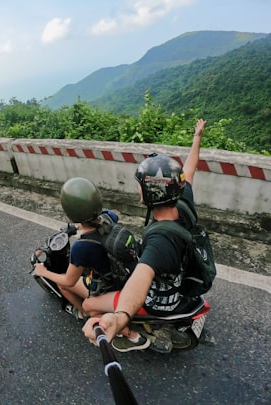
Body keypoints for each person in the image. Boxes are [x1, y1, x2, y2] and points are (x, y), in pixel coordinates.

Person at [82, 118, 207, 351]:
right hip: (181, 276)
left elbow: (140, 280)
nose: (137, 188)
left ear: (152, 192)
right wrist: (197, 137)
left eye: (140, 185)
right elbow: (189, 168)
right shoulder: (183, 199)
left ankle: (130, 336)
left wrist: (119, 318)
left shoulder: (160, 241)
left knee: (89, 305)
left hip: (162, 300)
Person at [33, 177, 118, 320]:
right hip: (116, 271)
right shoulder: (109, 217)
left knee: (63, 285)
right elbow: (103, 218)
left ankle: (82, 312)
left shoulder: (81, 247)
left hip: (106, 285)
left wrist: (43, 272)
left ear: (70, 214)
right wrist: (80, 226)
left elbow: (68, 281)